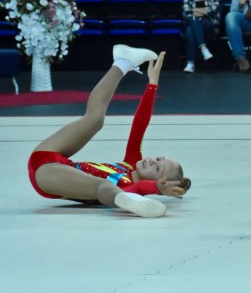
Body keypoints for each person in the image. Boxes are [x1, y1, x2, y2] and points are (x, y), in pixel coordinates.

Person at [26, 47, 190, 218]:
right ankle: (123, 61)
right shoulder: (131, 163)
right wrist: (152, 85)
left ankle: (132, 203)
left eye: (157, 169)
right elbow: (139, 125)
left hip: (47, 175)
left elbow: (140, 188)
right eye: (158, 158)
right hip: (48, 154)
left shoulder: (127, 186)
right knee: (95, 120)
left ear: (156, 182)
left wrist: (155, 189)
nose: (151, 161)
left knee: (104, 187)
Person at [181, 0, 221, 74]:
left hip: (210, 24)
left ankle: (190, 62)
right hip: (193, 23)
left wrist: (195, 10)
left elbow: (213, 10)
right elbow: (185, 13)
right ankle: (203, 49)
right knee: (190, 27)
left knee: (193, 21)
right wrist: (204, 11)